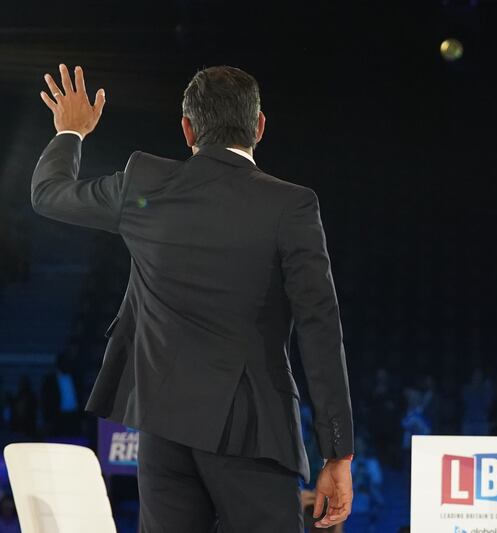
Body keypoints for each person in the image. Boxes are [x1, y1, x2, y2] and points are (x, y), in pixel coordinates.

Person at [32, 64, 354, 531]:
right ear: (259, 126)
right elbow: (320, 330)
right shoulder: (291, 206)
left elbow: (47, 193)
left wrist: (70, 131)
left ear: (187, 129)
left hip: (164, 432)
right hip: (254, 435)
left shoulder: (144, 183)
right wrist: (337, 452)